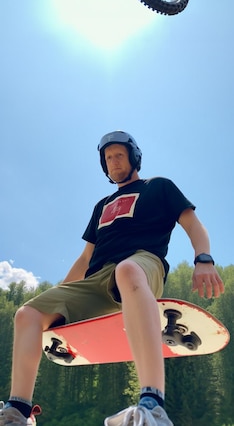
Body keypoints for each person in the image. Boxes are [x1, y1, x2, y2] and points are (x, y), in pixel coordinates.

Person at [0, 130, 225, 426]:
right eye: (108, 159)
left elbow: (193, 223)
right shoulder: (101, 206)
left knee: (126, 270)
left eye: (119, 155)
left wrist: (203, 258)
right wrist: (59, 301)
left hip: (143, 266)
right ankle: (18, 412)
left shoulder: (159, 187)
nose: (113, 162)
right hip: (97, 279)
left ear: (134, 158)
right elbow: (84, 258)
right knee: (27, 314)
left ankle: (152, 405)